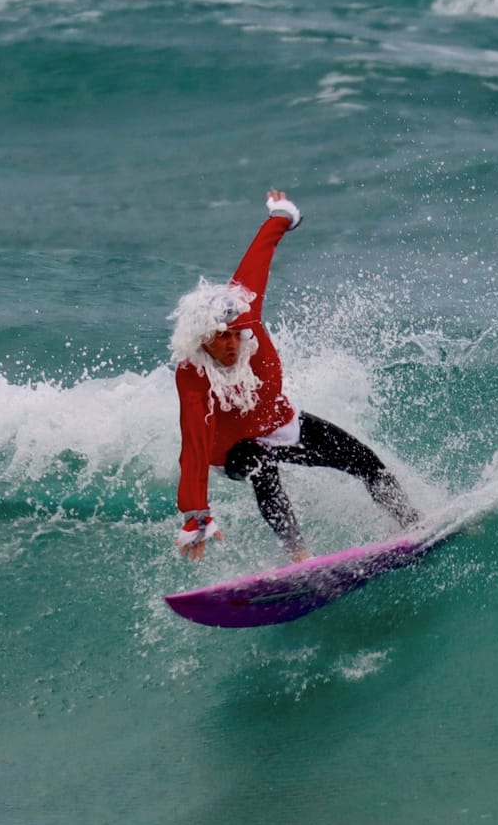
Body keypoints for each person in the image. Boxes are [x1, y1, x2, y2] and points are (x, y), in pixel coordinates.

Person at [170, 190, 418, 562]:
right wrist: (196, 513)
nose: (232, 343)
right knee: (260, 464)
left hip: (278, 421)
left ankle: (413, 524)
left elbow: (258, 259)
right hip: (232, 448)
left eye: (235, 333)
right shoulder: (193, 375)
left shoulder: (245, 313)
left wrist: (282, 216)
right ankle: (299, 556)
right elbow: (194, 443)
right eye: (220, 337)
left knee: (366, 461)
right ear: (200, 338)